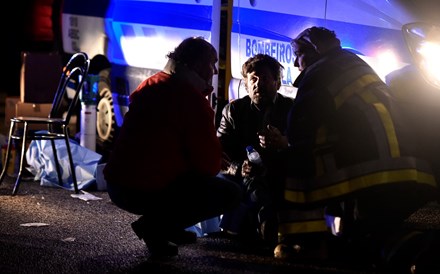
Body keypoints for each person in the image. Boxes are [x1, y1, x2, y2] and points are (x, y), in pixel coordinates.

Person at [276, 26, 439, 271]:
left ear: (315, 49)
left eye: (299, 54)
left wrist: (283, 145)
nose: (296, 62)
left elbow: (301, 129)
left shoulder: (320, 73)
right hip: (407, 169)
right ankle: (416, 248)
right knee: (381, 238)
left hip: (370, 168)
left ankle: (306, 243)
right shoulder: (354, 64)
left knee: (290, 162)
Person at [103, 37, 242, 258]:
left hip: (117, 184)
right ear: (196, 65)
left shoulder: (151, 84)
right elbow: (207, 166)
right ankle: (155, 228)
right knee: (229, 193)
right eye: (211, 63)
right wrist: (217, 159)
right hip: (144, 188)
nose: (215, 71)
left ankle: (168, 228)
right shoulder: (191, 99)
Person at [216, 54, 294, 248]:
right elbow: (218, 153)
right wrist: (239, 168)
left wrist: (283, 143)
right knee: (253, 180)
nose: (258, 84)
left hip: (281, 170)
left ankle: (265, 224)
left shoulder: (291, 108)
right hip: (245, 176)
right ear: (246, 84)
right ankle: (267, 223)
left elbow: (305, 143)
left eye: (265, 78)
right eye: (253, 79)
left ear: (277, 82)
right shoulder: (234, 111)